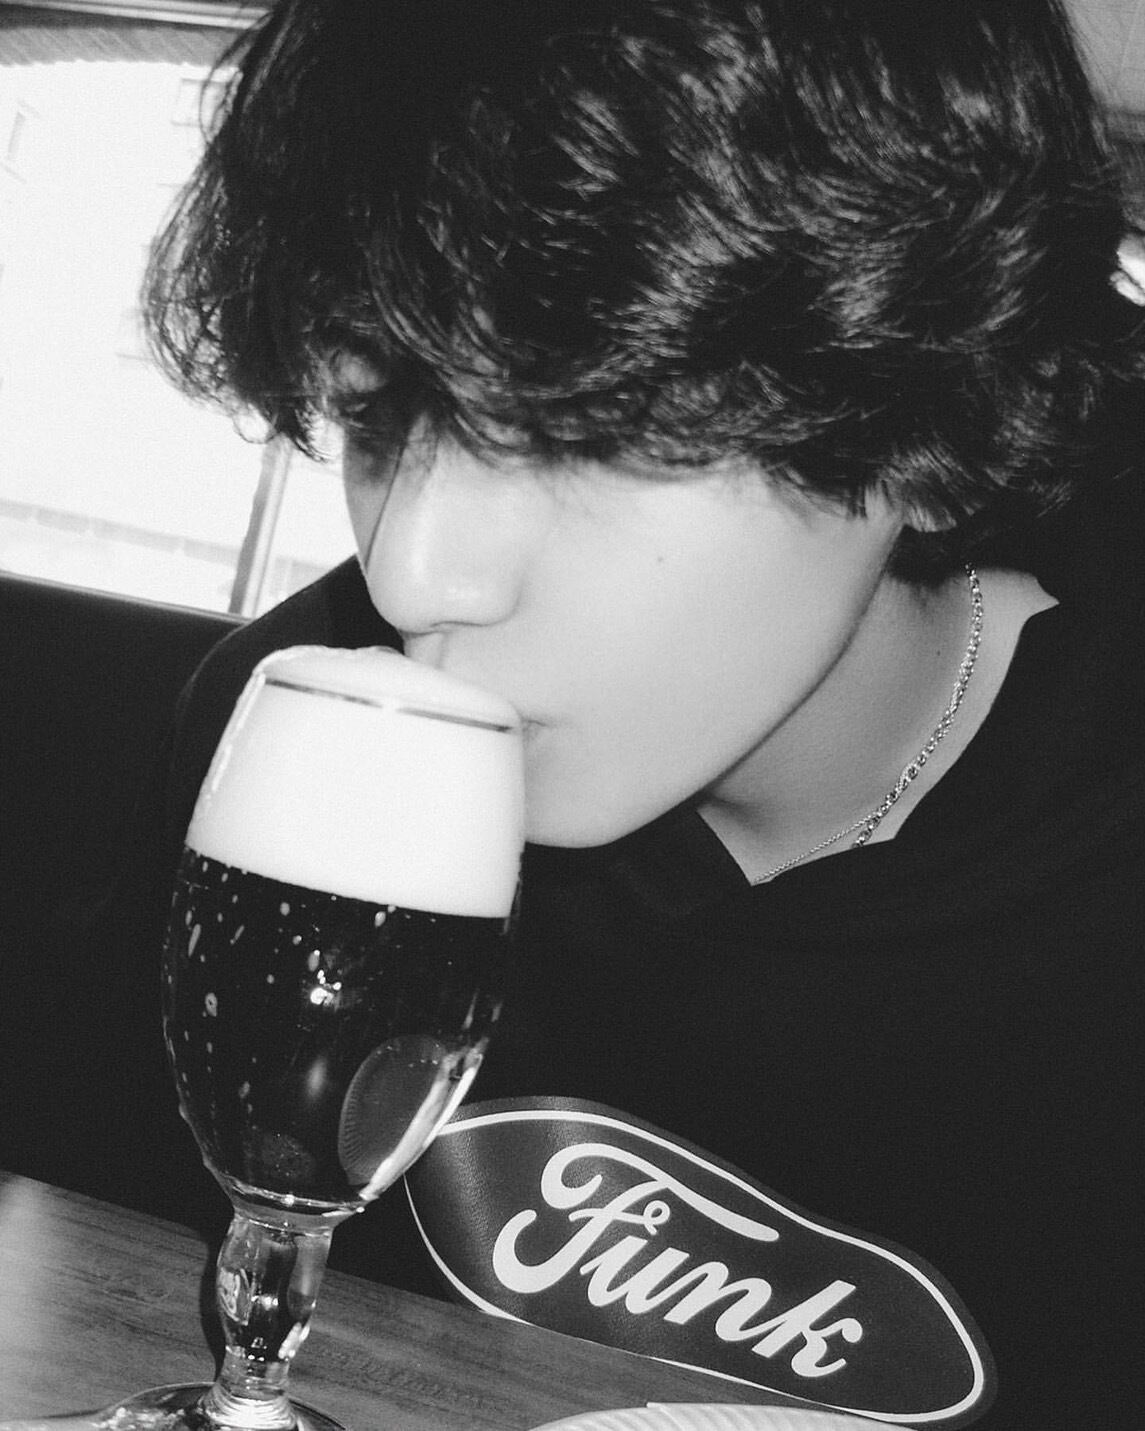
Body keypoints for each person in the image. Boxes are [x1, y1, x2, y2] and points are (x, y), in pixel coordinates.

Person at [136, 1, 1144, 1426]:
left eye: (583, 429)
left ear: (930, 420)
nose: (416, 570)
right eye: (379, 415)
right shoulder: (299, 769)